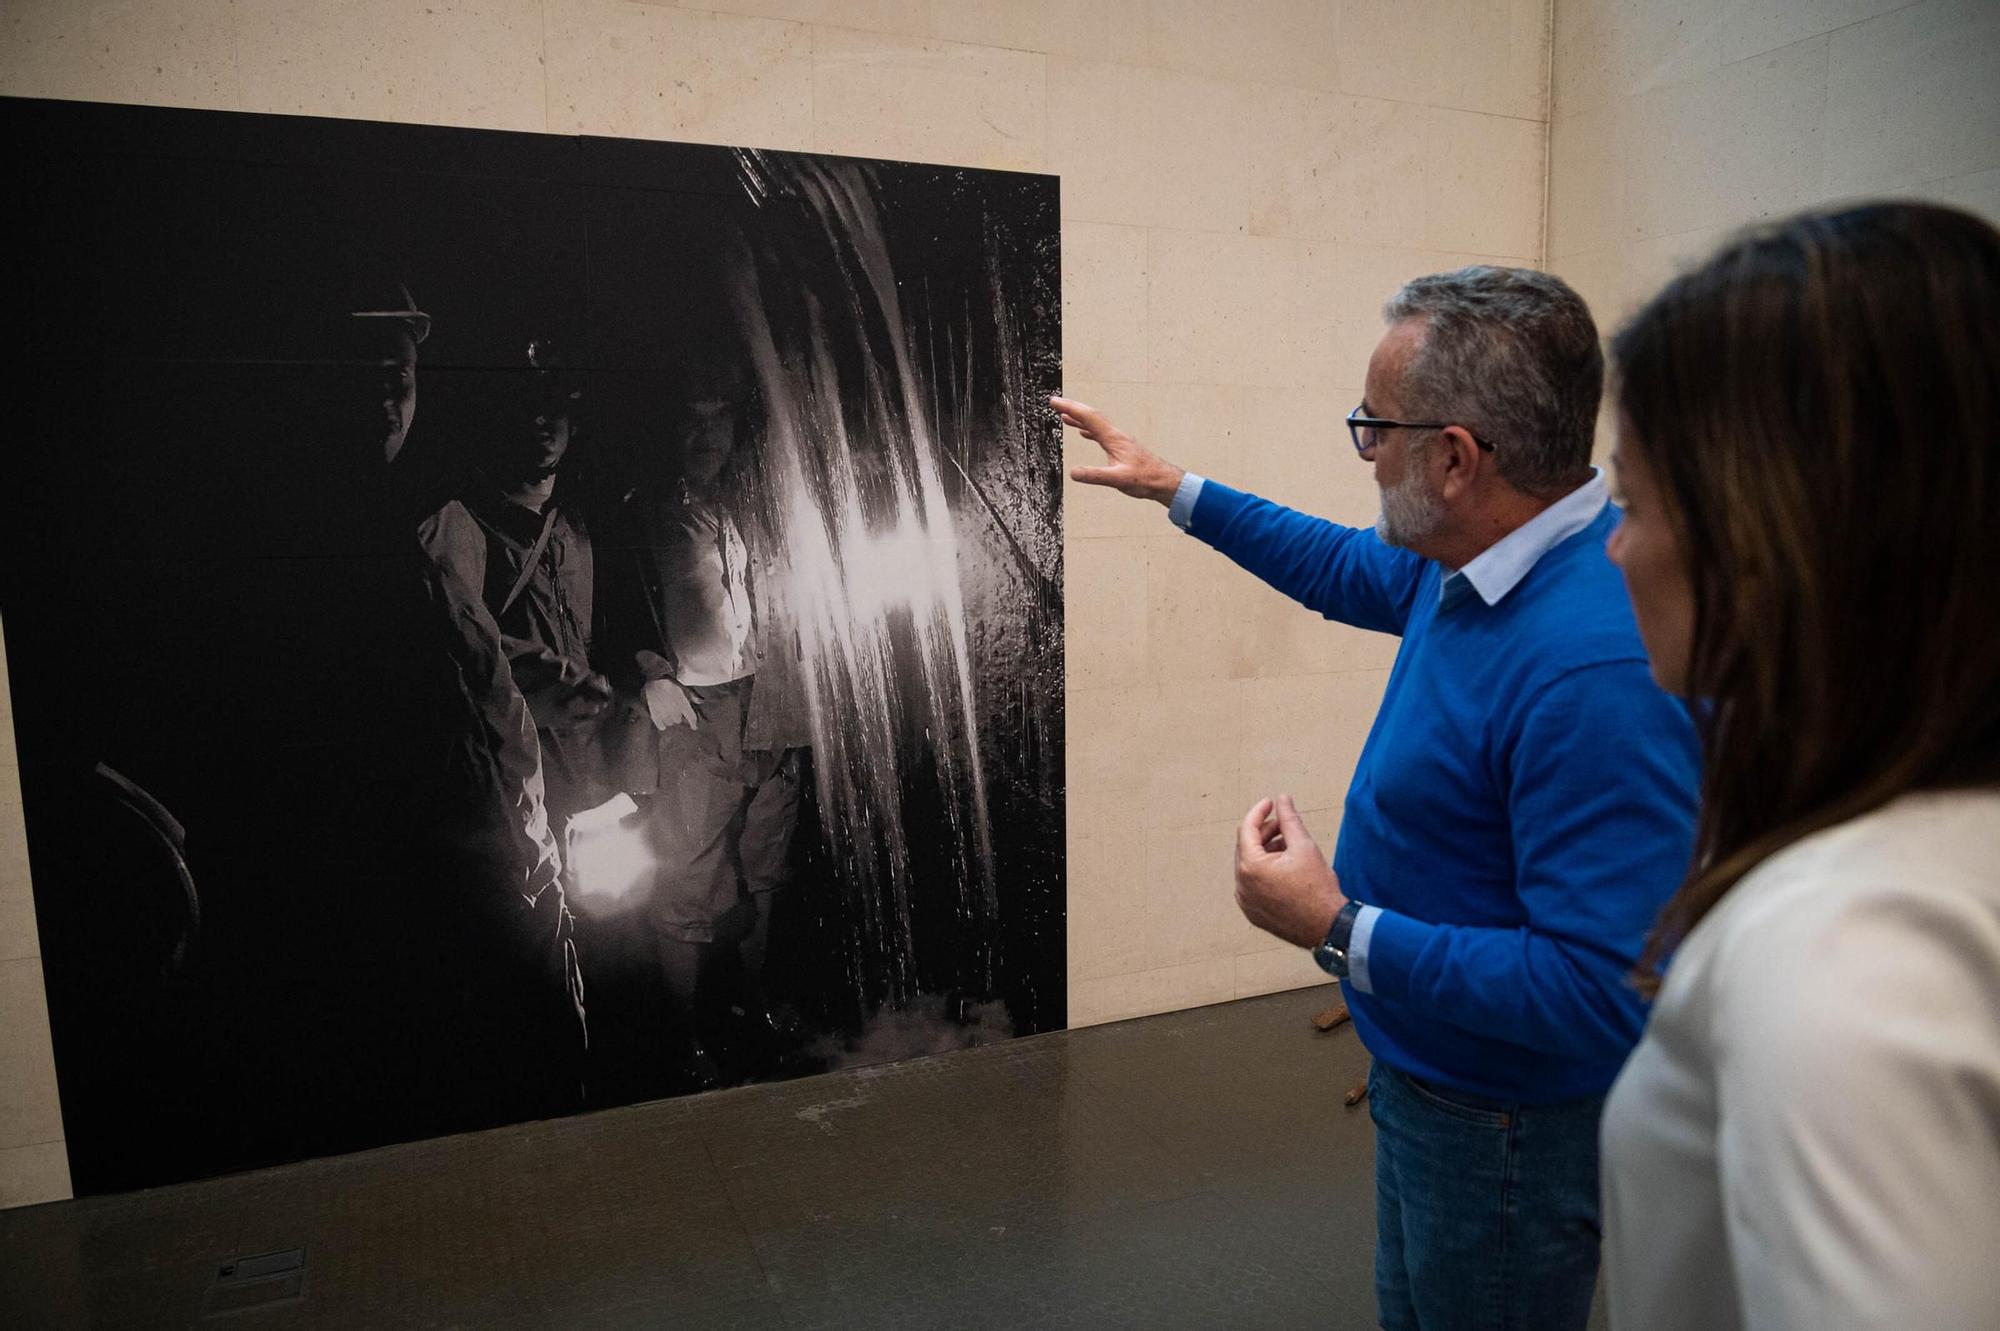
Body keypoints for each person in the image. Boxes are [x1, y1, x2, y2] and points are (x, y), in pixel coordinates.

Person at [1057, 264, 1702, 1331]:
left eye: (1373, 427)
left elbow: (1600, 986)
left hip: (1505, 1125)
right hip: (1429, 1070)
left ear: (1451, 457)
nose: (1363, 452)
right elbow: (1345, 566)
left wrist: (1334, 925)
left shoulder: (1592, 662)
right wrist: (1172, 485)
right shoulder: (1479, 552)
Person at [1598, 202, 2000, 1330]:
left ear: (1771, 531)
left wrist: (1342, 927)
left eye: (1628, 501)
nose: (1613, 547)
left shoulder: (1843, 943)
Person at [604, 351, 810, 1088]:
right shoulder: (640, 511)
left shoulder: (745, 506)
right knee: (688, 877)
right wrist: (649, 672)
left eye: (719, 416)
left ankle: (747, 1004)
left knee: (765, 865)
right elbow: (608, 609)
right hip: (697, 714)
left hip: (769, 700)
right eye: (692, 418)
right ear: (668, 426)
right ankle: (684, 1035)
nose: (708, 433)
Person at [414, 339, 591, 1129]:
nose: (543, 420)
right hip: (510, 800)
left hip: (572, 783)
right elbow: (473, 653)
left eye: (556, 403)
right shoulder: (464, 523)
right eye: (527, 403)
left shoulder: (578, 531)